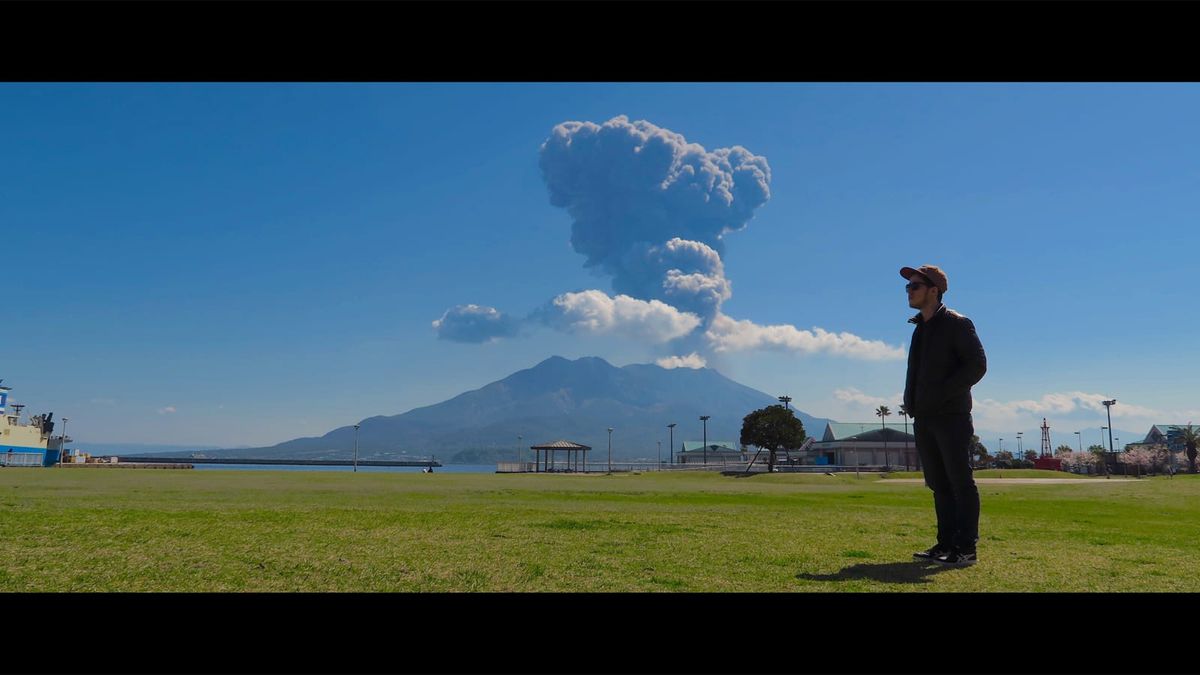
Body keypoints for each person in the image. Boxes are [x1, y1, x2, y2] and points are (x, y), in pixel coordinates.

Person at [901, 264, 987, 567]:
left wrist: (942, 394)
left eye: (915, 286)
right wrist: (911, 403)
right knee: (939, 484)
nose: (909, 291)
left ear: (933, 290)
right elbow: (915, 374)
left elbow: (977, 365)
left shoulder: (957, 324)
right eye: (908, 287)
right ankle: (946, 543)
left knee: (960, 482)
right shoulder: (920, 330)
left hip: (951, 415)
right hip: (924, 417)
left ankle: (966, 548)